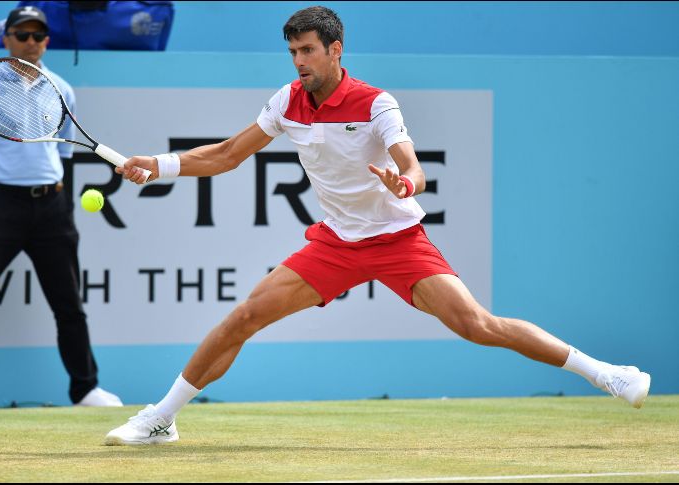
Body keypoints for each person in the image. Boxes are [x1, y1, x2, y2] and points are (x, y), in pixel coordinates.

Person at [105, 6, 651, 445]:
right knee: (244, 317)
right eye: (293, 51)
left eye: (308, 51)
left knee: (476, 325)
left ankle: (607, 373)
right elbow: (227, 155)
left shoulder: (375, 103)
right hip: (336, 244)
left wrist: (405, 184)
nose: (299, 61)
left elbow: (412, 165)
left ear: (335, 50)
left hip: (398, 242)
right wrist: (159, 165)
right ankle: (161, 418)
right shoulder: (287, 101)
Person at [0, 6, 122, 412]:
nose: (31, 42)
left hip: (51, 207)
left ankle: (85, 388)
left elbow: (63, 152)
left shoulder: (63, 89)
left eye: (38, 35)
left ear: (46, 41)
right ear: (7, 38)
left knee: (69, 305)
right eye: (23, 34)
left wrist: (59, 198)